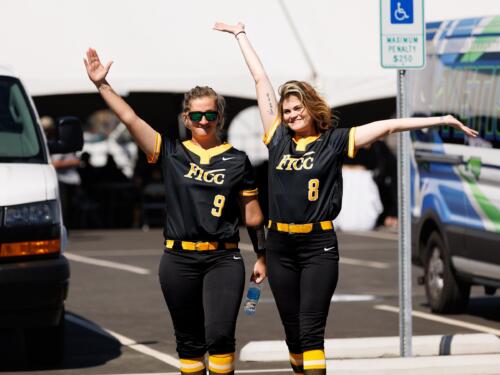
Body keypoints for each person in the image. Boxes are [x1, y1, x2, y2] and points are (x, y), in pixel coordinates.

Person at [213, 22, 478, 375]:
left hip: (317, 244)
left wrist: (442, 118)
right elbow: (261, 81)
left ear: (310, 107)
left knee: (311, 330)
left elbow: (387, 126)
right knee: (293, 332)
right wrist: (240, 35)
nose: (291, 115)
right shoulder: (277, 139)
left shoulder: (333, 141)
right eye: (287, 111)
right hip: (280, 245)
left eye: (297, 108)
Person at [84, 48, 266, 375]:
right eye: (196, 116)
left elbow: (252, 216)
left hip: (223, 259)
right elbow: (130, 119)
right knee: (189, 341)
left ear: (219, 118)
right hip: (178, 260)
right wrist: (103, 85)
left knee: (221, 336)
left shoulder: (238, 160)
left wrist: (263, 254)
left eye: (210, 115)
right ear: (186, 118)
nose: (203, 121)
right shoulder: (171, 153)